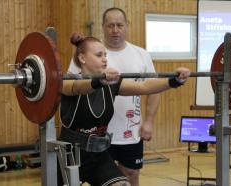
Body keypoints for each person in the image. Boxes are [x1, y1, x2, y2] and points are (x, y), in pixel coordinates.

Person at [59, 33, 190, 186]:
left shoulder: (111, 83)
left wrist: (174, 80)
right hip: (71, 156)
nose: (105, 59)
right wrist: (98, 81)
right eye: (99, 55)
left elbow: (145, 86)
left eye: (105, 55)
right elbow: (78, 88)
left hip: (98, 156)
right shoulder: (67, 81)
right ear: (82, 58)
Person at [68, 7, 160, 186]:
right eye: (110, 25)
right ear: (102, 27)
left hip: (129, 130)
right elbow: (70, 86)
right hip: (96, 131)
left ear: (127, 26)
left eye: (119, 25)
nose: (115, 30)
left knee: (131, 173)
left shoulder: (141, 55)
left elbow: (152, 89)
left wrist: (148, 121)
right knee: (99, 178)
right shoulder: (88, 54)